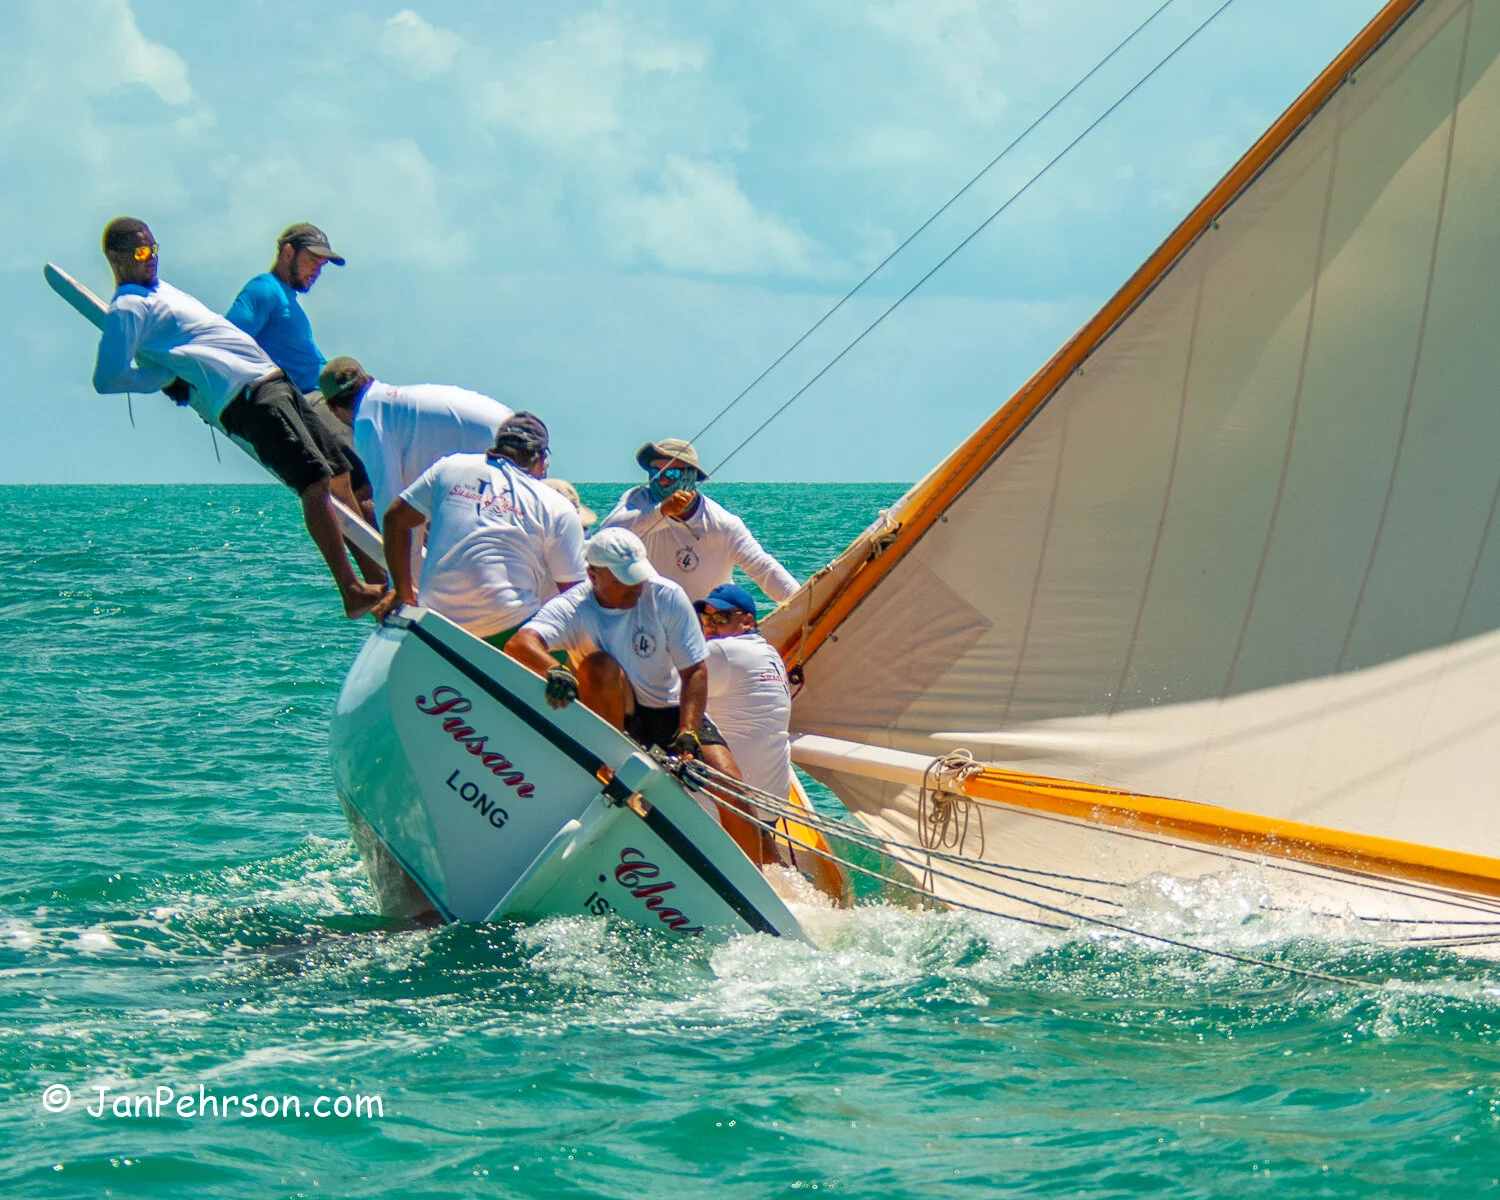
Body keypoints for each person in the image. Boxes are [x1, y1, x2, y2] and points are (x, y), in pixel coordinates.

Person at [89, 217, 386, 618]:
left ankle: (380, 582)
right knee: (313, 481)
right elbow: (107, 377)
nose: (151, 261)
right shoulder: (127, 306)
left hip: (274, 380)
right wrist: (163, 377)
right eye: (141, 253)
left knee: (340, 474)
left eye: (154, 250)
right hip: (246, 397)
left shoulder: (160, 289)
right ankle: (351, 591)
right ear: (116, 257)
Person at [378, 414, 586, 646]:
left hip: (437, 620)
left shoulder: (449, 467)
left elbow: (395, 519)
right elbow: (575, 600)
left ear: (498, 446)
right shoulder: (557, 506)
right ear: (543, 459)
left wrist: (403, 592)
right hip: (510, 628)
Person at [225, 223, 369, 509]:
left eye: (322, 264)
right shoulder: (264, 290)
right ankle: (386, 549)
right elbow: (225, 339)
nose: (317, 269)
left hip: (331, 397)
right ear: (288, 253)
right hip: (309, 400)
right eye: (313, 259)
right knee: (364, 481)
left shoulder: (287, 298)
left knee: (383, 469)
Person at [598, 438, 799, 603]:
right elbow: (605, 537)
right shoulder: (640, 500)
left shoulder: (722, 523)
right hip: (650, 623)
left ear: (691, 476)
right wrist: (661, 511)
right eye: (655, 474)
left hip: (707, 626)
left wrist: (801, 602)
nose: (662, 481)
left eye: (671, 473)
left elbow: (763, 568)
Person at [318, 355, 512, 526]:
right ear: (368, 379)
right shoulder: (392, 406)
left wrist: (395, 566)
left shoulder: (367, 422)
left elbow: (391, 505)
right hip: (520, 437)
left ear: (333, 409)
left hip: (498, 454)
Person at [697, 583, 794, 804]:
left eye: (721, 618)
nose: (710, 626)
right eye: (706, 618)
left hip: (732, 802)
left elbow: (663, 688)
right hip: (773, 802)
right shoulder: (771, 654)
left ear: (748, 621)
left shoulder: (721, 651)